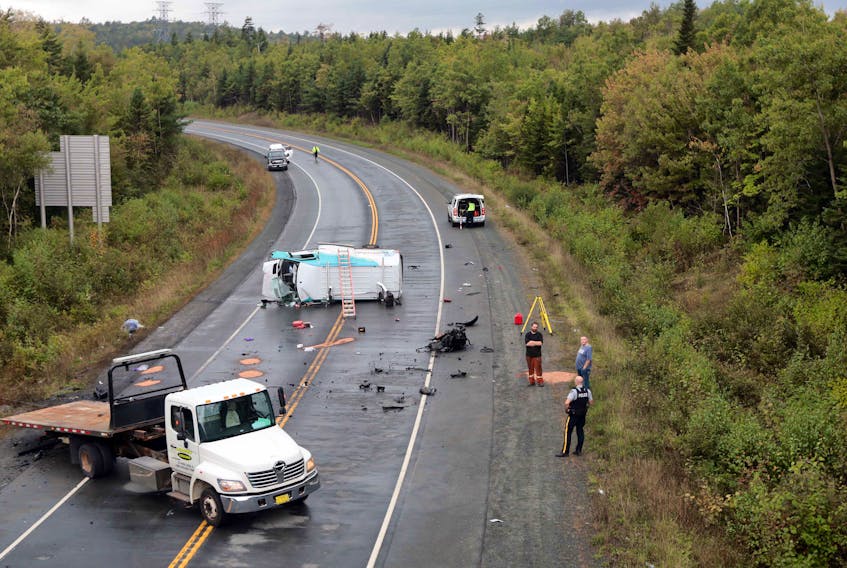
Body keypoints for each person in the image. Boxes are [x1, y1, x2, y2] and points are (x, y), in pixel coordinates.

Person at [556, 375, 593, 457]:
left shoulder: (574, 391)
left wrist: (567, 409)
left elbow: (566, 402)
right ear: (582, 382)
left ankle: (565, 452)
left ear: (576, 382)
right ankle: (578, 450)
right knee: (580, 431)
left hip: (573, 415)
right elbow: (591, 402)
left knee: (568, 432)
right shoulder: (587, 391)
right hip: (582, 415)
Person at [524, 321, 544, 386]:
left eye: (536, 327)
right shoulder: (527, 334)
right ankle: (531, 381)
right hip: (529, 355)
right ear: (531, 327)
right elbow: (527, 344)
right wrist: (536, 343)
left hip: (537, 355)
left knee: (538, 368)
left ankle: (540, 381)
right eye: (534, 327)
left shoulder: (539, 334)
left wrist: (532, 342)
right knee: (530, 368)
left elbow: (540, 343)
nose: (535, 328)